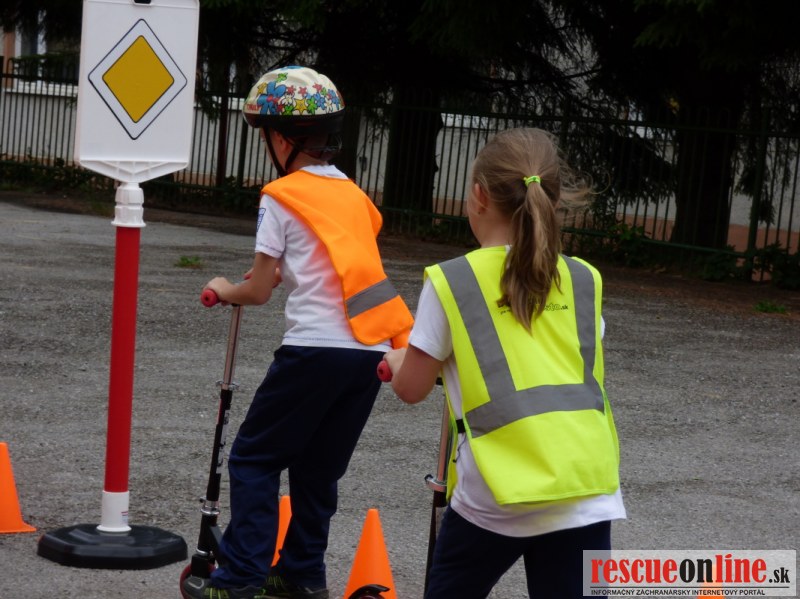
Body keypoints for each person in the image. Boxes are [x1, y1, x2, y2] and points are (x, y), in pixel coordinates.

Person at [182, 65, 414, 599]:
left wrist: (224, 287)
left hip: (314, 348)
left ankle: (240, 578)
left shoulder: (281, 195)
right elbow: (338, 266)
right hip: (370, 351)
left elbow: (258, 289)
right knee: (317, 470)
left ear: (282, 139)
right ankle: (301, 574)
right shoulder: (353, 195)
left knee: (254, 458)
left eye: (266, 135)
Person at [381, 127, 626, 599]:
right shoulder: (583, 279)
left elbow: (411, 388)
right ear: (553, 200)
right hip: (585, 484)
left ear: (478, 196)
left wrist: (401, 357)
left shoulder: (454, 280)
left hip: (500, 491)